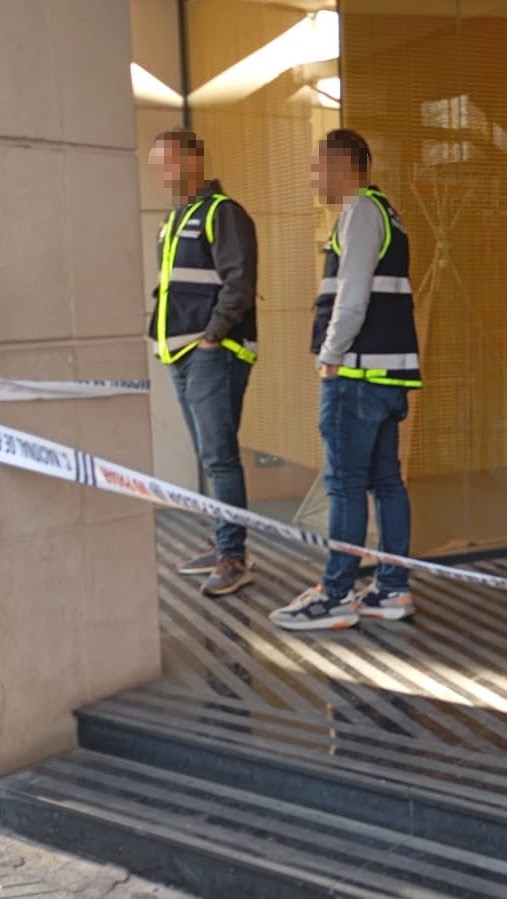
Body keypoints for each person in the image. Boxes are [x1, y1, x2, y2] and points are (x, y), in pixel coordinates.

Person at [272, 129, 421, 632]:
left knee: (346, 485)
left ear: (343, 165)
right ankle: (392, 589)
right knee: (386, 482)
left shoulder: (359, 211)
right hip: (389, 376)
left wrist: (330, 356)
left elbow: (351, 298)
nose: (314, 177)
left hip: (356, 375)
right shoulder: (389, 214)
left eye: (318, 167)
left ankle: (336, 593)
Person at [146, 129, 260, 596]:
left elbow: (239, 282)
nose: (163, 174)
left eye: (168, 163)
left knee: (220, 458)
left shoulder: (222, 213)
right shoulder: (175, 219)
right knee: (210, 458)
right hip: (182, 354)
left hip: (212, 353)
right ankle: (223, 545)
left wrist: (212, 337)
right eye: (158, 166)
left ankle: (234, 557)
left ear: (193, 161)